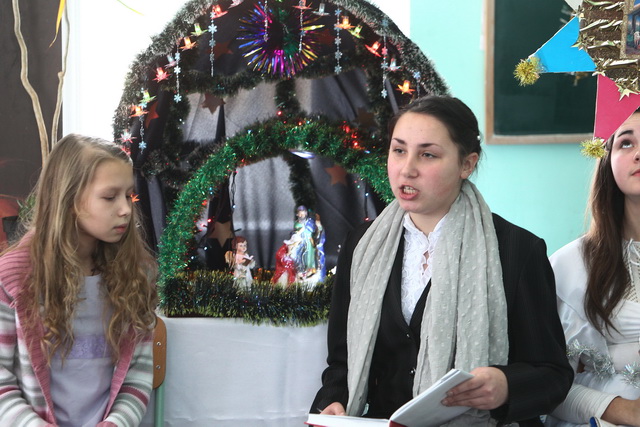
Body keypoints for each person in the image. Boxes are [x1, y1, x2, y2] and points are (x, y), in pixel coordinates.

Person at [310, 96, 573, 425]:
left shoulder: (517, 249)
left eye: (428, 154)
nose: (407, 169)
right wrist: (333, 401)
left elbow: (553, 374)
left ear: (467, 165)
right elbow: (341, 362)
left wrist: (506, 386)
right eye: (399, 150)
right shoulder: (362, 244)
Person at [0, 134, 158, 426]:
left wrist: (115, 423)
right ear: (69, 199)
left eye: (128, 195)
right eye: (109, 197)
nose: (125, 209)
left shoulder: (136, 276)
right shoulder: (12, 278)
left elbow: (138, 374)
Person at [544, 111, 640, 426]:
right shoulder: (570, 265)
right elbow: (546, 382)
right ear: (607, 159)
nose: (638, 153)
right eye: (626, 143)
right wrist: (627, 411)